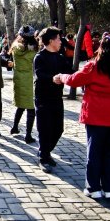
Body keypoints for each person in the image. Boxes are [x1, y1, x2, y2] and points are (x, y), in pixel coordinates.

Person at [53, 34, 110, 199]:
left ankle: (93, 188)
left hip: (96, 115)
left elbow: (74, 80)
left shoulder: (93, 67)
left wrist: (61, 77)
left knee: (94, 153)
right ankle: (109, 189)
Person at [33, 27, 73, 173]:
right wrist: (52, 78)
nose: (60, 41)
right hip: (43, 99)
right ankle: (44, 158)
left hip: (57, 98)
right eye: (58, 38)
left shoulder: (60, 57)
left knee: (58, 129)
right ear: (50, 41)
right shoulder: (40, 57)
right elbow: (40, 75)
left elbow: (70, 72)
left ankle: (44, 151)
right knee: (45, 129)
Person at [9, 25, 38, 144]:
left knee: (20, 105)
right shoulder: (33, 52)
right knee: (31, 108)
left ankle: (15, 127)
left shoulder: (15, 48)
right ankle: (28, 135)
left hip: (18, 79)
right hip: (29, 80)